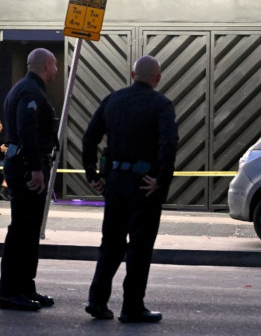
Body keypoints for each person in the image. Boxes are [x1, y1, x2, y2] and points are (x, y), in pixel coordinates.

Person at [82, 55, 178, 323]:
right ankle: (132, 306)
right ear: (157, 78)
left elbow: (89, 138)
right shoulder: (162, 105)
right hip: (143, 185)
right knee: (140, 246)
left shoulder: (112, 100)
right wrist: (161, 179)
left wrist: (93, 175)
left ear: (132, 73)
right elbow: (168, 144)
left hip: (114, 183)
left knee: (110, 244)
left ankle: (97, 301)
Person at [0, 48, 58, 312]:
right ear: (46, 65)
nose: (57, 69)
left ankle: (25, 288)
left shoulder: (23, 88)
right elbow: (26, 129)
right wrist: (35, 168)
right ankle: (11, 293)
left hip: (22, 164)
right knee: (22, 231)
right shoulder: (31, 92)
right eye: (55, 65)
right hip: (26, 167)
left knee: (29, 230)